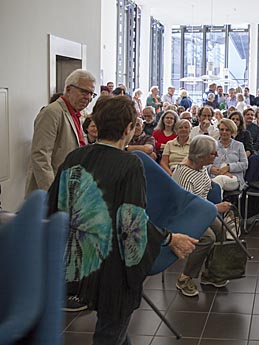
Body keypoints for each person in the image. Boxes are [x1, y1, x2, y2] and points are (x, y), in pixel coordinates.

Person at [48, 96, 198, 343]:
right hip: (112, 268)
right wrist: (169, 238)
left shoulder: (75, 157)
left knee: (115, 331)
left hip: (80, 259)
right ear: (129, 128)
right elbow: (131, 221)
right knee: (110, 332)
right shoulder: (130, 164)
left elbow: (55, 206)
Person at [173, 136, 234, 296]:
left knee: (221, 230)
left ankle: (210, 274)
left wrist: (212, 208)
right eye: (213, 154)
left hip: (202, 211)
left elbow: (203, 195)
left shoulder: (201, 167)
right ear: (201, 156)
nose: (216, 156)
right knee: (207, 238)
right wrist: (215, 207)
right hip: (185, 215)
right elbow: (188, 207)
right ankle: (184, 278)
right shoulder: (183, 174)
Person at [27, 69, 96, 194]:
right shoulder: (51, 112)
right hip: (52, 191)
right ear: (68, 89)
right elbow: (40, 156)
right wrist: (52, 193)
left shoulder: (77, 114)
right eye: (84, 92)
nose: (89, 98)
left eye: (92, 94)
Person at [210, 118, 248, 191]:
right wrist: (213, 169)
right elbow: (205, 163)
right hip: (214, 175)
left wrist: (228, 168)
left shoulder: (239, 145)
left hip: (233, 178)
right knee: (217, 181)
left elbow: (244, 164)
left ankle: (213, 202)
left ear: (232, 131)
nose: (224, 132)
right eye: (221, 129)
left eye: (227, 130)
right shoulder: (213, 145)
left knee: (218, 181)